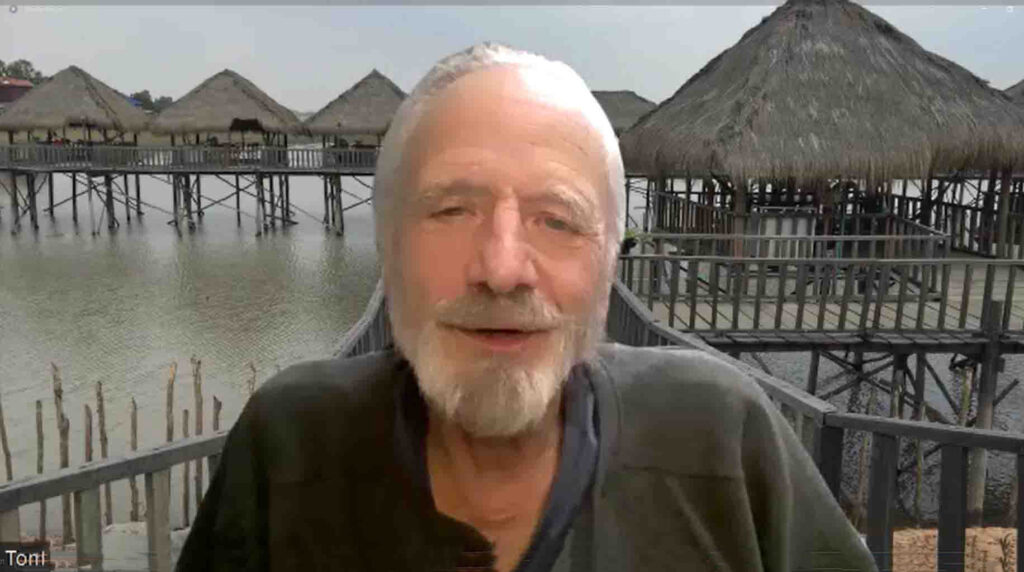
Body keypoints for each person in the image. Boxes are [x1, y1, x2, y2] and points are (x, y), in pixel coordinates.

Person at [176, 42, 877, 572]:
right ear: (388, 248)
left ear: (608, 264)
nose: (503, 268)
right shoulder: (291, 446)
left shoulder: (722, 439)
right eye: (452, 209)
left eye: (558, 220)